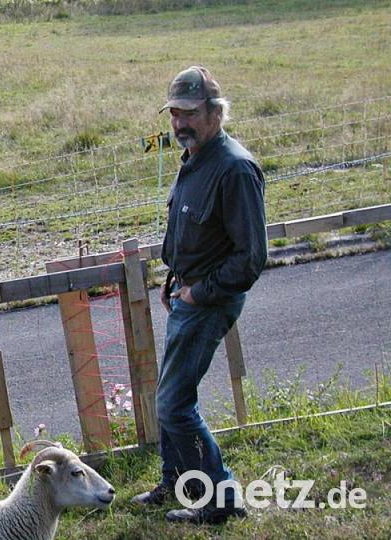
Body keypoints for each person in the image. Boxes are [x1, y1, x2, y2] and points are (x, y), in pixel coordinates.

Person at [130, 66, 268, 524]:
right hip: (188, 292)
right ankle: (178, 482)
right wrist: (175, 280)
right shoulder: (197, 156)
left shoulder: (235, 168)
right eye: (173, 114)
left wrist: (196, 294)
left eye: (188, 113)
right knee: (169, 394)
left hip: (209, 302)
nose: (179, 123)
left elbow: (250, 259)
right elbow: (194, 229)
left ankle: (221, 500)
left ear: (215, 112)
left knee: (173, 404)